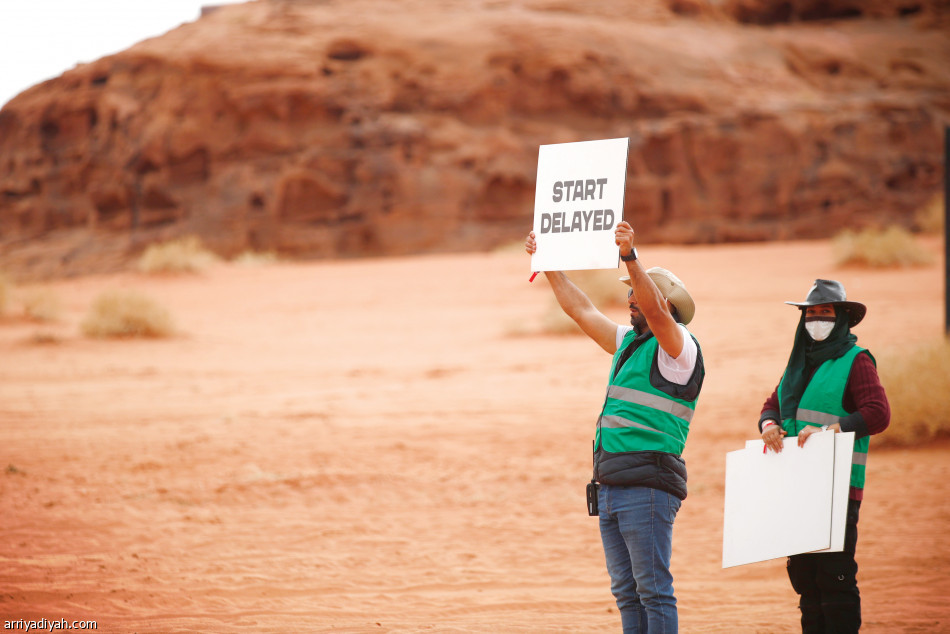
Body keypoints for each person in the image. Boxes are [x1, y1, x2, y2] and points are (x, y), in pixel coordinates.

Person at [525, 220, 705, 633]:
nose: (630, 299)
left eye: (637, 293)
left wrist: (630, 256)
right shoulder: (629, 341)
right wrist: (550, 264)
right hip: (611, 487)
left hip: (649, 487)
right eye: (628, 293)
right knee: (627, 592)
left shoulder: (680, 349)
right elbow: (580, 309)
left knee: (654, 591)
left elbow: (657, 311)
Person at [759, 279, 890, 633]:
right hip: (797, 487)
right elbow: (772, 404)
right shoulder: (797, 362)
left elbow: (878, 413)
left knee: (835, 577)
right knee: (805, 579)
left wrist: (831, 431)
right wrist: (769, 424)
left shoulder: (856, 360)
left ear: (842, 318)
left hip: (836, 487)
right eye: (810, 313)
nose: (816, 320)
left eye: (825, 313)